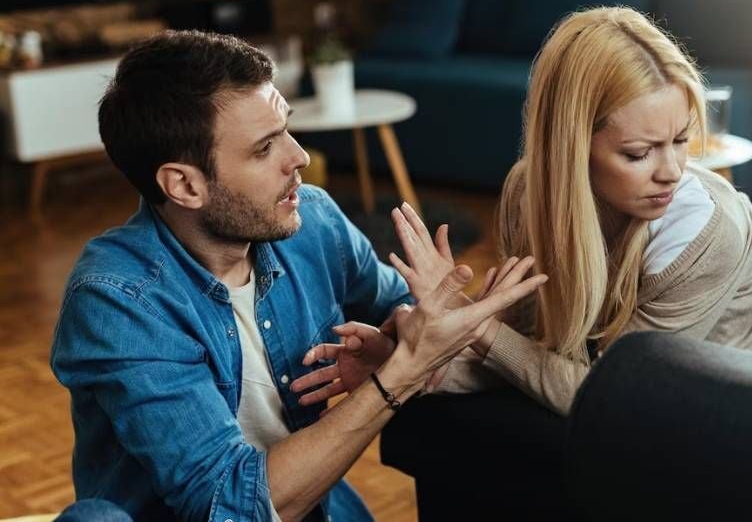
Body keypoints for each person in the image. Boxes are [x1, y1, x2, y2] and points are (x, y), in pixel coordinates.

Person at [49, 30, 547, 521]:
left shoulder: (314, 221)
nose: (299, 157)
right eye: (264, 149)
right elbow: (229, 503)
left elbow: (404, 314)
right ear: (184, 184)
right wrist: (402, 371)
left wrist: (419, 326)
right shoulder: (117, 299)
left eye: (285, 128)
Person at [295, 7, 752, 417]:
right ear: (572, 149)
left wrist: (477, 325)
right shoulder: (529, 193)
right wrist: (403, 363)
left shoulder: (699, 232)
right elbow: (539, 346)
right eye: (640, 153)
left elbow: (612, 395)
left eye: (681, 141)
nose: (672, 170)